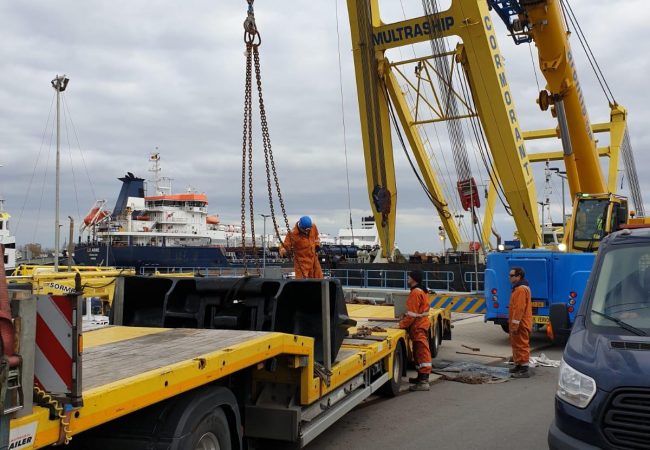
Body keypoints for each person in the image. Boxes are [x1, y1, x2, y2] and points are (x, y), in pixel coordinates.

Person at [399, 270, 432, 391]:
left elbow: (412, 314)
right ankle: (420, 378)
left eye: (409, 276)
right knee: (418, 352)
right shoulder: (421, 290)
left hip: (418, 326)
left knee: (422, 352)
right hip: (420, 324)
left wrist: (401, 325)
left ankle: (423, 382)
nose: (407, 278)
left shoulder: (415, 293)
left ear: (414, 279)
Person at [508, 267, 532, 378]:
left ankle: (524, 369)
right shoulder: (518, 289)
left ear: (518, 276)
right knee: (517, 344)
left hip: (521, 323)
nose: (510, 277)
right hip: (520, 323)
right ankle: (518, 365)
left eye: (512, 275)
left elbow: (519, 309)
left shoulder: (521, 290)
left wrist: (515, 324)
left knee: (521, 345)